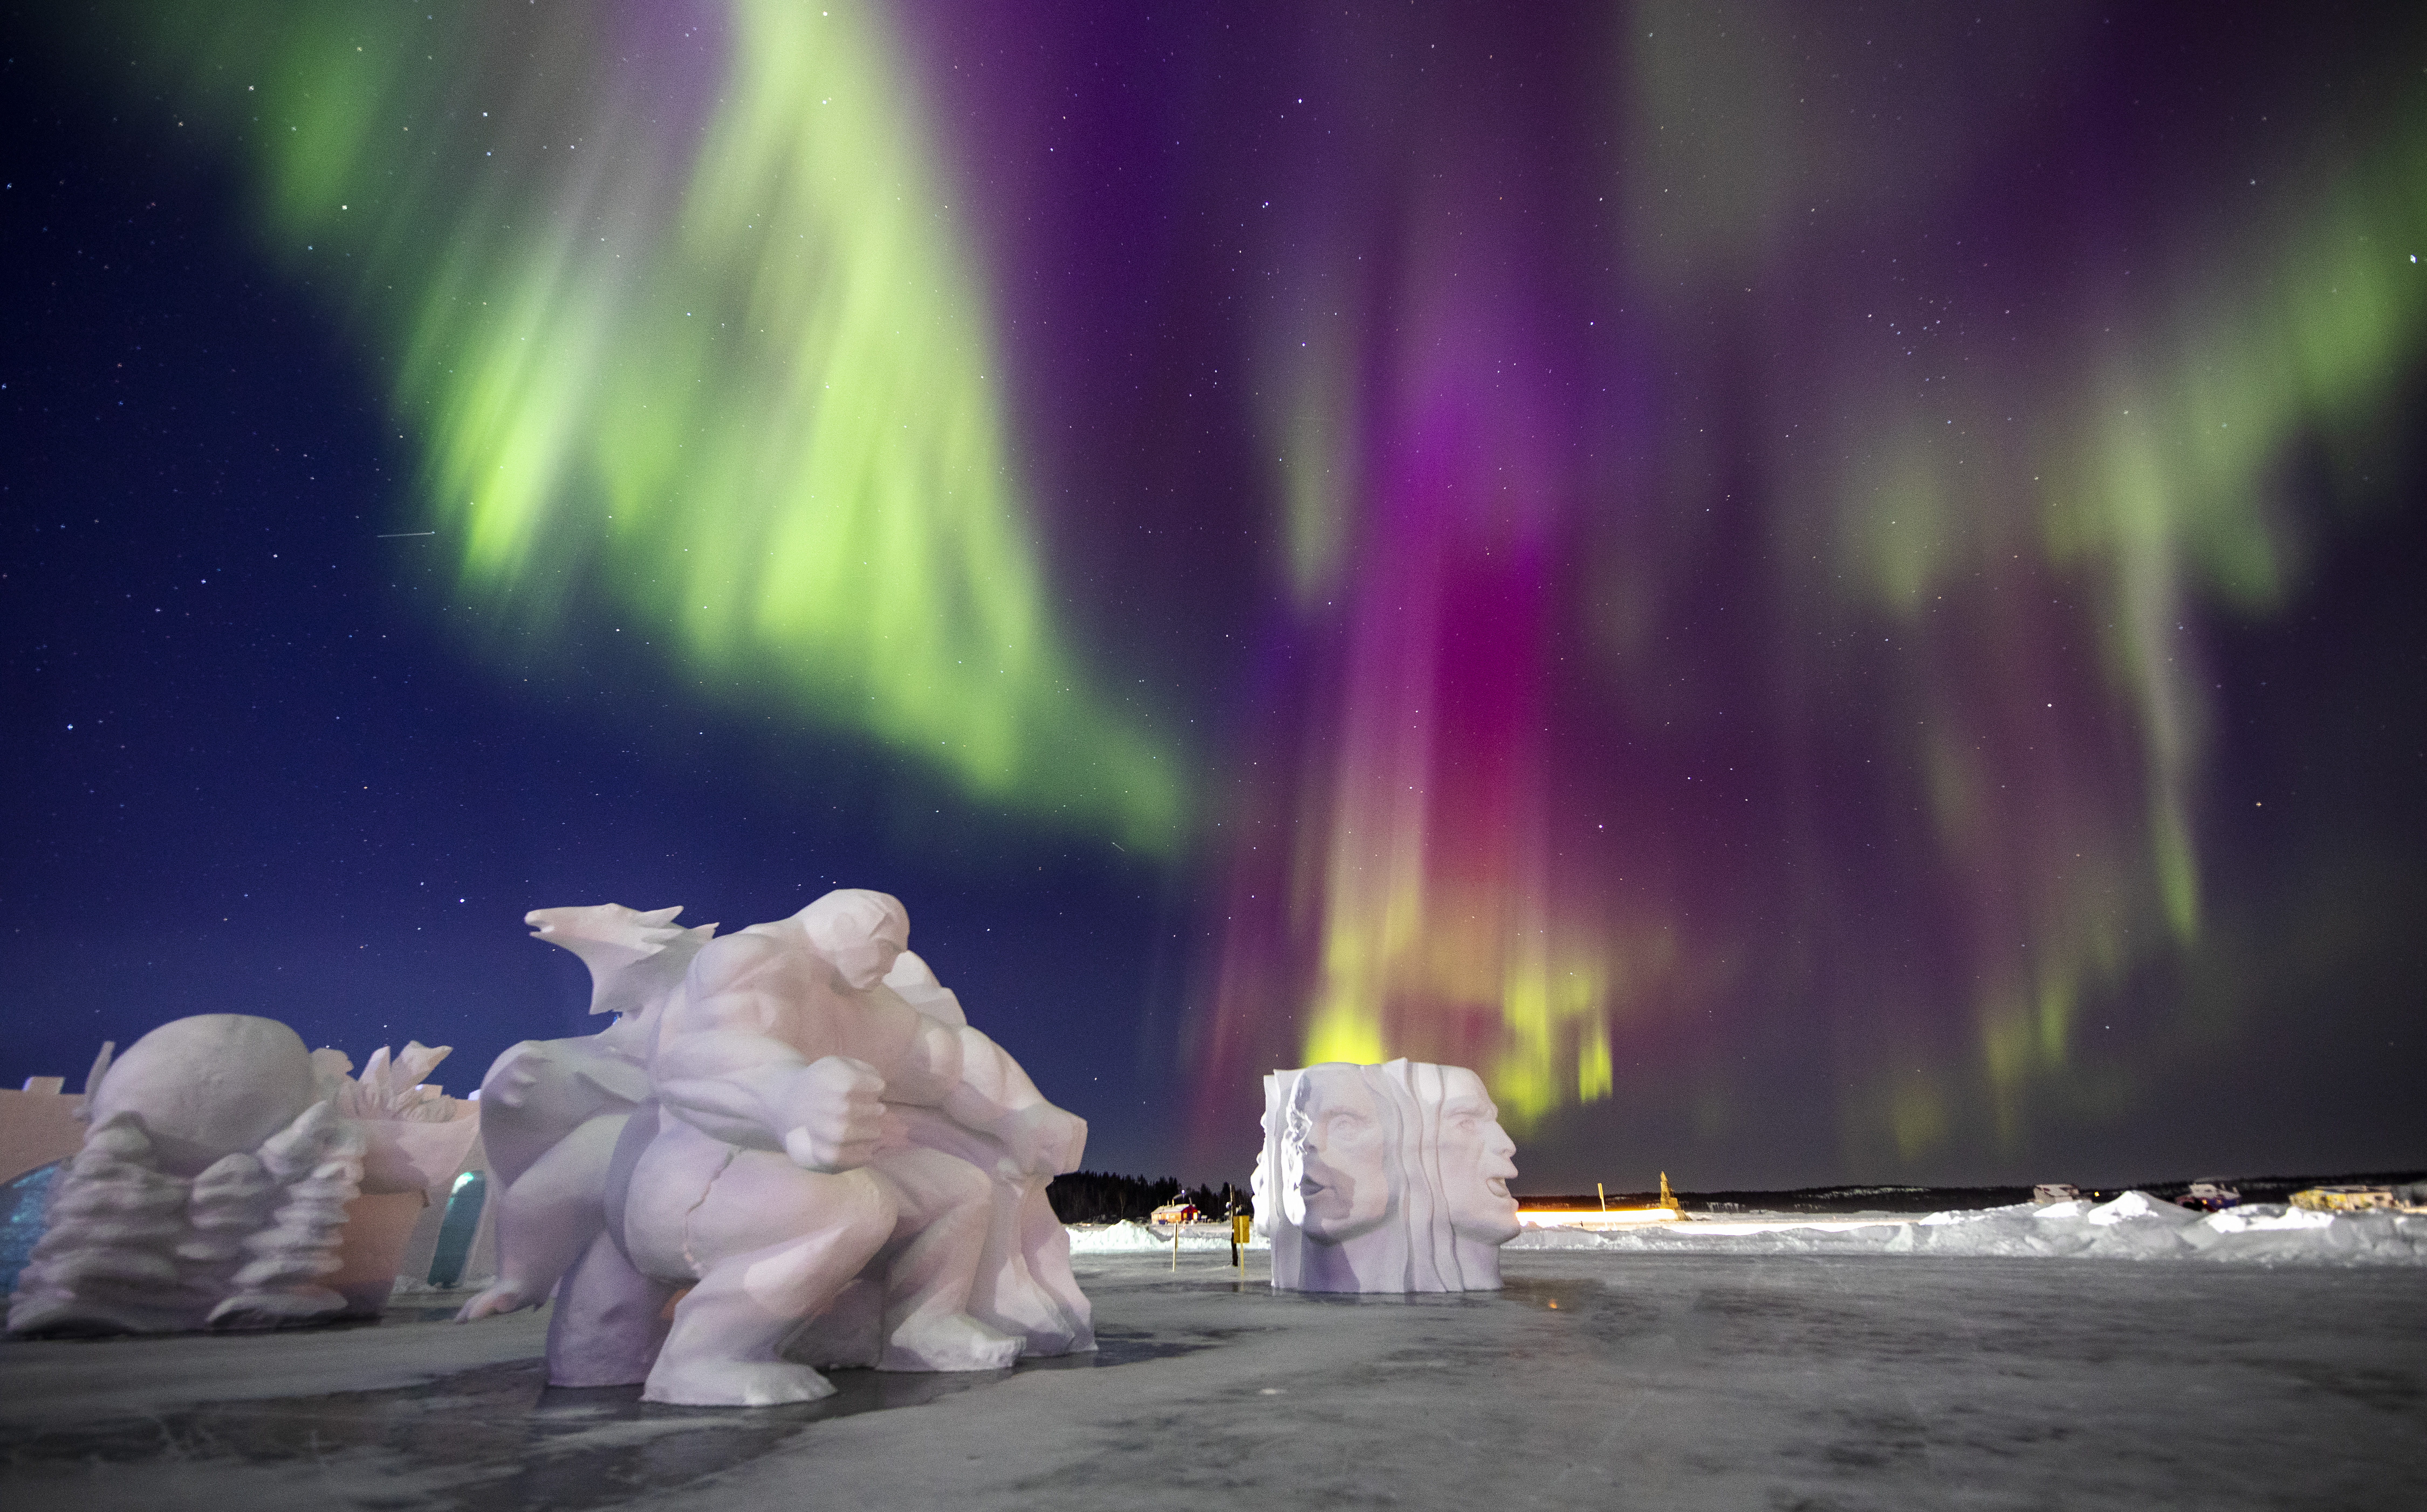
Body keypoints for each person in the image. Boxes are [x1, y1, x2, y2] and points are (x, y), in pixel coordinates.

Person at [625, 889, 1085, 1406]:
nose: (891, 966)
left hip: (788, 1177)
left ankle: (920, 1326)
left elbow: (949, 1062)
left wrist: (1023, 1112)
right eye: (887, 949)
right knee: (858, 1203)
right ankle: (699, 1357)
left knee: (960, 1190)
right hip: (699, 1178)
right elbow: (698, 1057)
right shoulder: (753, 959)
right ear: (852, 928)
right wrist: (789, 1095)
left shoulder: (864, 1002)